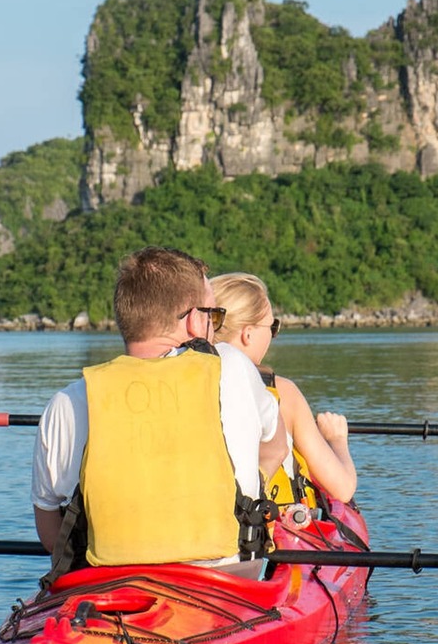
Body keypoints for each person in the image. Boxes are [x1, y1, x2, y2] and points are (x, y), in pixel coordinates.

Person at [31, 247, 287, 583]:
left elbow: (51, 532)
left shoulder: (65, 404)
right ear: (196, 320)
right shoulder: (232, 366)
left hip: (106, 593)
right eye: (213, 315)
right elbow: (277, 446)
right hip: (224, 588)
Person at [209, 272, 357, 508]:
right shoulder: (283, 394)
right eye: (272, 327)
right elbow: (343, 488)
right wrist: (337, 440)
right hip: (265, 532)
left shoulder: (190, 380)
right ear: (248, 334)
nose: (273, 335)